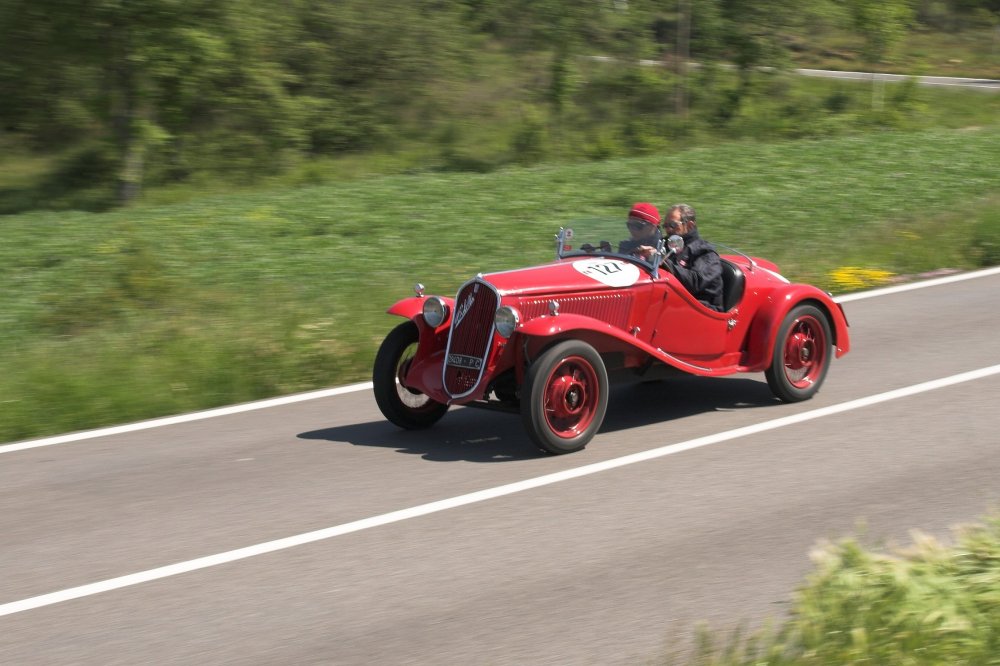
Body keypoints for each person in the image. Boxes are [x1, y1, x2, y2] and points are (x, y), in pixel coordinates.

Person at [653, 204, 725, 312]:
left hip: (702, 309)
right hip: (673, 301)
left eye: (672, 225)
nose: (668, 229)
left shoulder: (705, 253)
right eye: (666, 226)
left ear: (690, 225)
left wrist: (665, 263)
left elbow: (696, 281)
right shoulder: (666, 244)